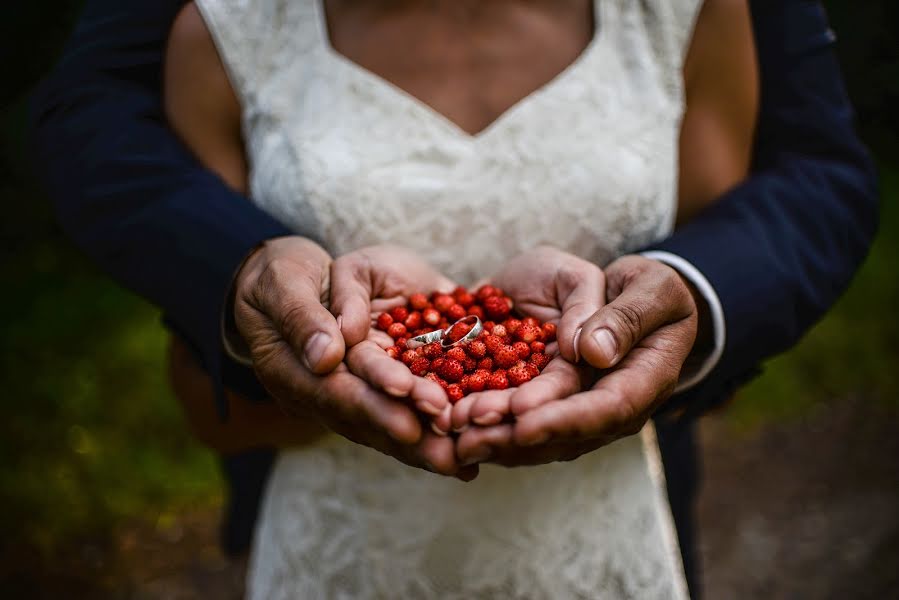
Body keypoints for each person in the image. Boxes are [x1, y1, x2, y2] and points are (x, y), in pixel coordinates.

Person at [29, 0, 878, 597]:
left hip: (597, 525)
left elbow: (754, 209)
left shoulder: (683, 16)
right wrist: (272, 317)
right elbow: (204, 383)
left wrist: (671, 310)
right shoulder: (226, 31)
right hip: (340, 535)